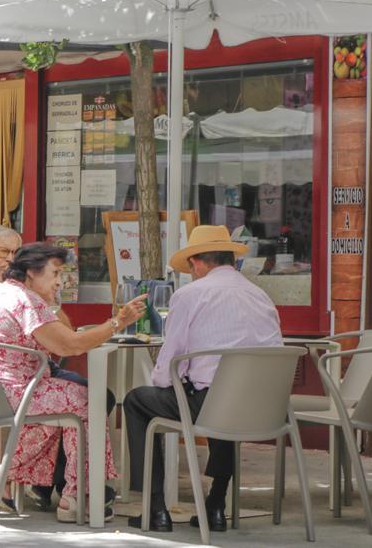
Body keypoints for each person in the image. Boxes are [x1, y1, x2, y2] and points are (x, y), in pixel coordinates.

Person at [0, 242, 146, 522]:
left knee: (66, 402)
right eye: (55, 273)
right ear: (32, 272)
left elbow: (62, 337)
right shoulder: (26, 301)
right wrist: (117, 322)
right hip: (12, 392)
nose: (60, 281)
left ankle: (5, 477)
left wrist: (49, 300)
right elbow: (70, 345)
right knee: (88, 400)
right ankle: (77, 498)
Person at [125, 225, 280, 534]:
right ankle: (216, 504)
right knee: (223, 398)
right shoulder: (261, 295)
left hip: (214, 403)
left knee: (137, 401)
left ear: (196, 262)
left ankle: (155, 509)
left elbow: (170, 362)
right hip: (265, 408)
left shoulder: (190, 295)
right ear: (231, 260)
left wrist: (169, 383)